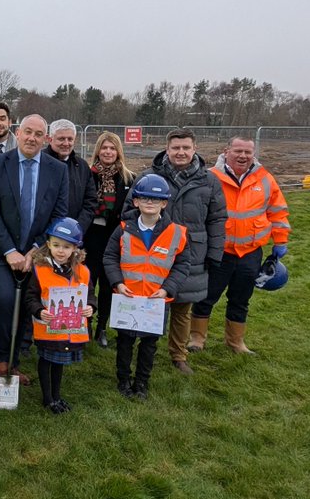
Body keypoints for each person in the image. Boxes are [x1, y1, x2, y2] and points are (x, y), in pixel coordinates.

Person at [125, 129, 227, 375]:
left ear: (194, 149)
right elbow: (128, 212)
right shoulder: (148, 177)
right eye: (176, 148)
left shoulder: (209, 180)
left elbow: (217, 218)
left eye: (186, 148)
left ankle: (178, 355)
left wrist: (215, 253)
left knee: (183, 308)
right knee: (153, 303)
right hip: (154, 254)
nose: (181, 152)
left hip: (192, 254)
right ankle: (144, 348)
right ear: (167, 149)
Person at [0, 114, 69, 382]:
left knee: (25, 305)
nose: (32, 138)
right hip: (2, 250)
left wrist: (34, 250)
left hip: (38, 252)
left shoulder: (58, 170)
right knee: (5, 300)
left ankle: (16, 357)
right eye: (28, 132)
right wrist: (10, 251)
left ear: (46, 139)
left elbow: (59, 214)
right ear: (17, 133)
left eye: (38, 134)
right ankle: (2, 355)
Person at [190, 136, 291, 354]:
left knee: (241, 298)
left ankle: (236, 342)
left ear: (253, 154)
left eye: (247, 152)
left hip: (250, 253)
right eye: (238, 151)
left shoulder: (265, 179)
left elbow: (278, 211)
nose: (243, 156)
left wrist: (281, 241)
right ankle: (197, 338)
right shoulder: (210, 177)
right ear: (226, 151)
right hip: (219, 252)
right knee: (206, 296)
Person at [104, 174, 190, 401]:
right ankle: (123, 379)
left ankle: (142, 382)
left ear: (164, 203)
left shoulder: (177, 233)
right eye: (144, 198)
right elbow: (110, 257)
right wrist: (118, 283)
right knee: (124, 342)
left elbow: (182, 264)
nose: (149, 203)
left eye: (155, 199)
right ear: (136, 202)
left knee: (149, 344)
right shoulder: (123, 229)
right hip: (128, 298)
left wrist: (167, 289)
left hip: (156, 300)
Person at [23, 218, 94, 414]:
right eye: (56, 245)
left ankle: (57, 395)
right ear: (48, 245)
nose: (60, 250)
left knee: (59, 363)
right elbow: (30, 297)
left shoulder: (83, 271)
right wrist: (39, 311)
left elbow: (90, 295)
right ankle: (48, 398)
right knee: (46, 361)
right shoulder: (40, 270)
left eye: (66, 246)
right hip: (47, 329)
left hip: (69, 330)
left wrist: (91, 308)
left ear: (75, 248)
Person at [83, 131, 136, 348]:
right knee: (87, 283)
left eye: (112, 148)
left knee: (108, 286)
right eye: (104, 148)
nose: (108, 152)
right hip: (90, 238)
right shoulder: (88, 175)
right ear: (97, 150)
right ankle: (85, 323)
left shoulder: (128, 178)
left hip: (114, 239)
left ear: (118, 152)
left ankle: (102, 327)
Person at [44, 119, 97, 232]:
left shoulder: (82, 166)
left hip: (74, 235)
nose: (66, 143)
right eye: (61, 139)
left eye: (70, 139)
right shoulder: (39, 163)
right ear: (49, 139)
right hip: (43, 236)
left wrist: (77, 228)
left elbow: (90, 201)